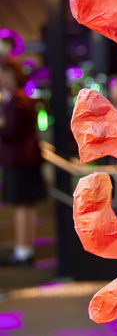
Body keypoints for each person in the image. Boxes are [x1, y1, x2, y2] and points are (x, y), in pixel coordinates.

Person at [0, 60, 46, 267]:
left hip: (21, 161)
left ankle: (23, 250)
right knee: (25, 206)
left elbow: (12, 131)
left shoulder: (18, 99)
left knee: (23, 206)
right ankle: (24, 250)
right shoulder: (16, 98)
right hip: (23, 161)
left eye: (5, 74)